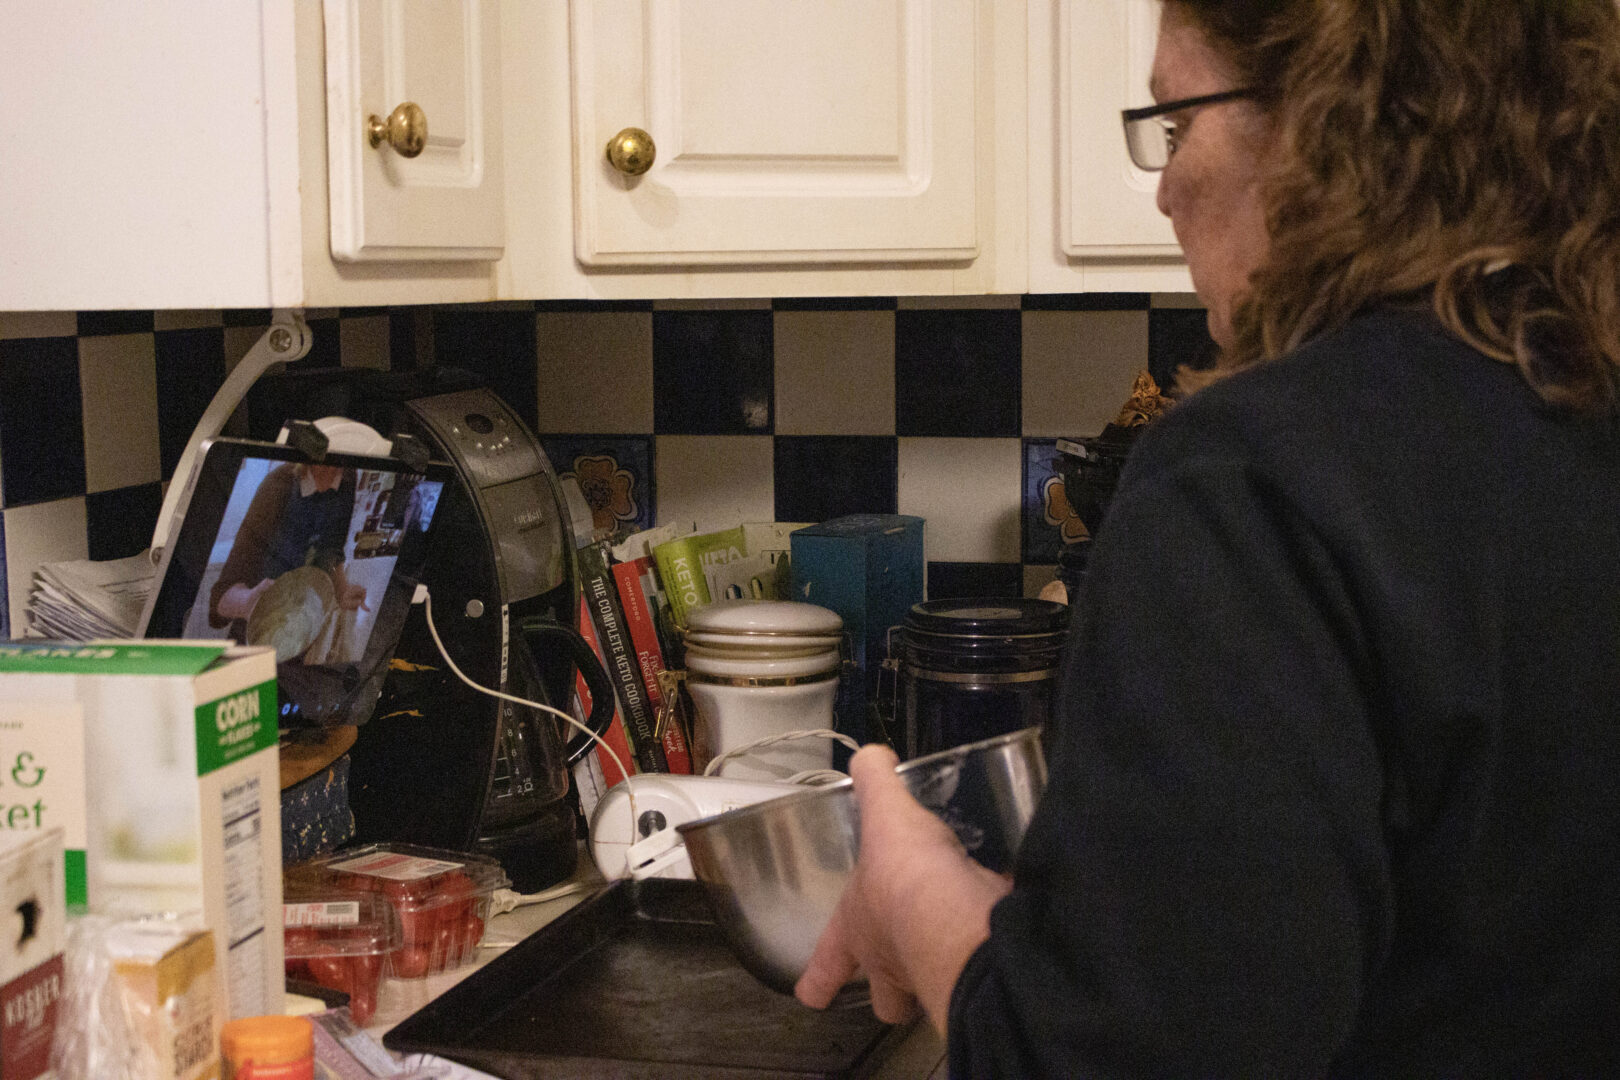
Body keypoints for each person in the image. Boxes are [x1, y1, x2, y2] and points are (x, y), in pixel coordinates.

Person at [795, 0, 1620, 1074]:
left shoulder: (1258, 478)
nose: (1164, 188)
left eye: (1179, 125)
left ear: (1326, 121)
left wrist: (916, 894)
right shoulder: (1579, 412)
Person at [211, 462, 369, 638]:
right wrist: (249, 602)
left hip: (304, 624)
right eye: (324, 467)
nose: (330, 478)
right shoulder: (277, 485)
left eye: (336, 469)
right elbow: (220, 597)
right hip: (258, 632)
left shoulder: (347, 474)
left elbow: (331, 547)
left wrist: (342, 591)